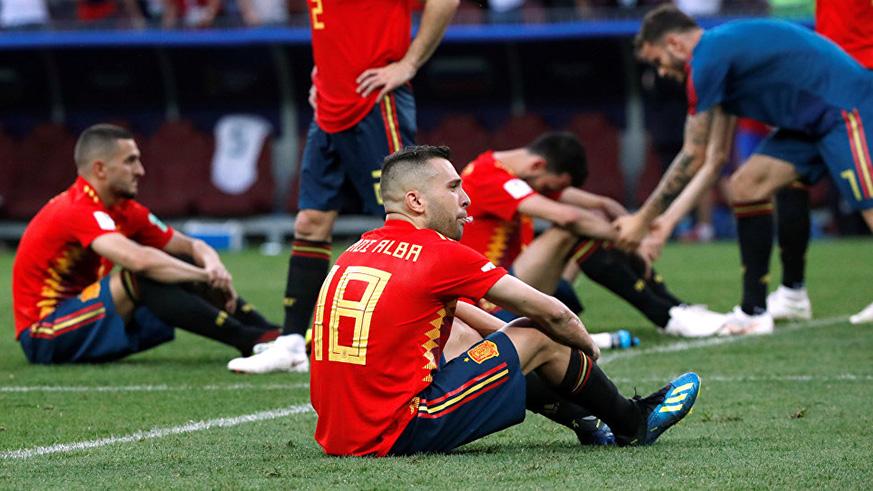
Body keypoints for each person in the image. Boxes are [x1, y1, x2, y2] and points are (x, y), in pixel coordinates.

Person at [309, 145, 700, 456]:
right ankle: (633, 423)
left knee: (464, 332)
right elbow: (554, 314)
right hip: (397, 430)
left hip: (339, 432)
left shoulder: (358, 248)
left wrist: (505, 337)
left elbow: (442, 307)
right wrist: (586, 347)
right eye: (452, 187)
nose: (465, 199)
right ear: (415, 201)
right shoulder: (438, 252)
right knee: (540, 333)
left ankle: (585, 419)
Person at [227, 0, 460, 374]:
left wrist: (409, 64)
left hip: (376, 103)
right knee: (310, 221)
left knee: (409, 219)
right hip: (329, 108)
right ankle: (290, 343)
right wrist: (325, 73)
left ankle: (443, 332)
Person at [616, 5, 873, 335]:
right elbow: (714, 161)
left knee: (870, 206)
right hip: (814, 121)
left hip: (847, 106)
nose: (661, 71)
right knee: (747, 185)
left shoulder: (707, 61)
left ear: (675, 45)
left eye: (657, 60)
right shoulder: (718, 56)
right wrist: (664, 224)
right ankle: (754, 311)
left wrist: (641, 219)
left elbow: (691, 155)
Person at [11, 124, 279, 364]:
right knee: (143, 276)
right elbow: (139, 261)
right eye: (130, 161)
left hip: (87, 317)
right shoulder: (76, 208)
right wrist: (205, 277)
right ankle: (249, 340)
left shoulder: (123, 209)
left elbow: (191, 247)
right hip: (44, 335)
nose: (140, 170)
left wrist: (213, 265)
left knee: (178, 263)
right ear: (100, 169)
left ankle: (275, 334)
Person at [459, 132, 726, 338]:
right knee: (571, 230)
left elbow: (602, 205)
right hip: (491, 300)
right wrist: (631, 239)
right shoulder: (488, 176)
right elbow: (569, 217)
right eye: (552, 187)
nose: (550, 191)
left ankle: (675, 308)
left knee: (590, 225)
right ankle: (667, 315)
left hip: (521, 284)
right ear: (539, 165)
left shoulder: (518, 175)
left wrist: (632, 225)